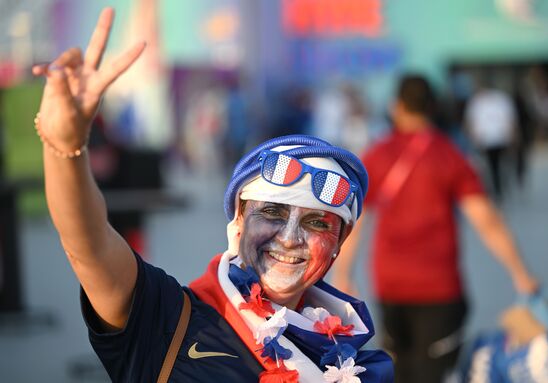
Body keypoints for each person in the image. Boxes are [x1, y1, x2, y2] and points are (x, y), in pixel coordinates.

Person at [32, 8, 393, 383]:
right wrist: (66, 149)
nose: (289, 238)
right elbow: (88, 245)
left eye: (317, 222)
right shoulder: (165, 319)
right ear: (237, 222)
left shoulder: (363, 366)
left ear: (339, 243)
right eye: (271, 211)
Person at [331, 75, 538, 383]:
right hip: (440, 289)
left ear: (396, 106)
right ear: (432, 107)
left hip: (390, 287)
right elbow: (486, 221)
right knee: (433, 374)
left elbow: (354, 224)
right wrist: (521, 273)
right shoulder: (451, 155)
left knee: (399, 373)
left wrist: (342, 276)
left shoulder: (377, 154)